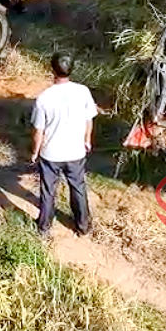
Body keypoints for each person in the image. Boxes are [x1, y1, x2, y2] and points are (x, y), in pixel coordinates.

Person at [31, 52, 99, 237]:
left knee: (48, 190)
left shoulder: (44, 98)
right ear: (72, 69)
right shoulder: (83, 91)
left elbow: (39, 131)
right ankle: (83, 226)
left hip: (50, 154)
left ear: (52, 69)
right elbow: (89, 120)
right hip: (76, 152)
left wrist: (35, 152)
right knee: (78, 187)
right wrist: (87, 140)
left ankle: (44, 227)